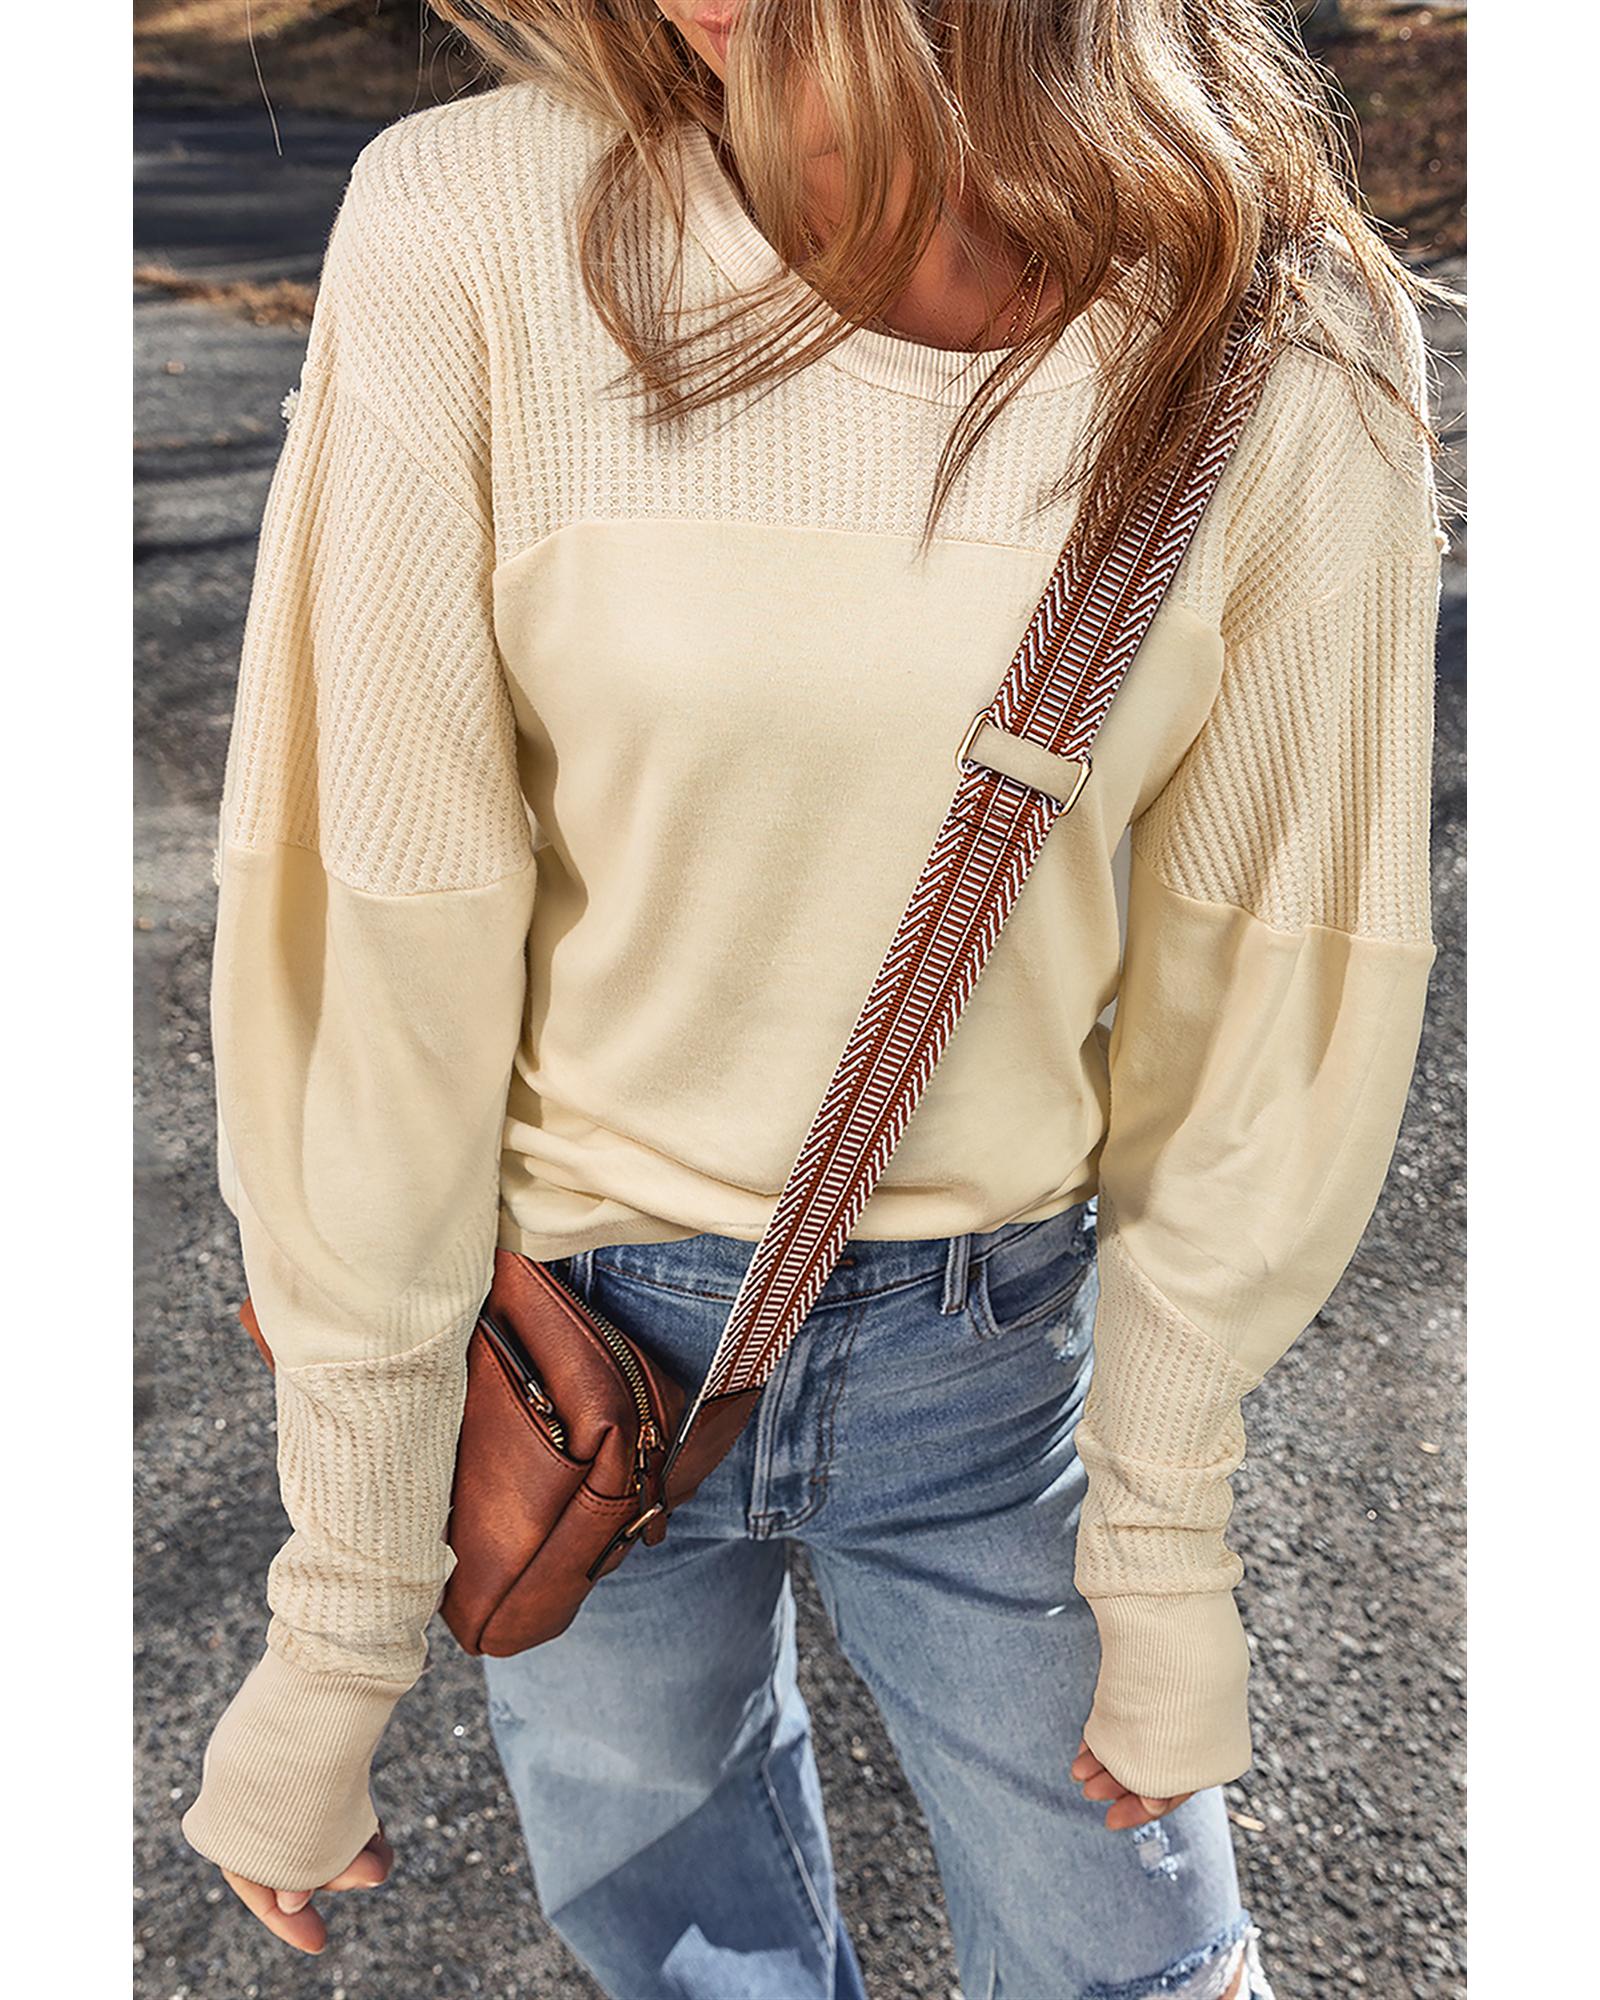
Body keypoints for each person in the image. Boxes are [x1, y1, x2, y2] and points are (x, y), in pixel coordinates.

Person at [177, 4, 1454, 1996]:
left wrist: (1164, 1545)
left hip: (990, 1360)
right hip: (563, 1360)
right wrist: (334, 1622)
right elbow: (377, 939)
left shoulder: (1270, 325)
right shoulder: (466, 225)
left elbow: (1275, 987)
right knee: (693, 1963)